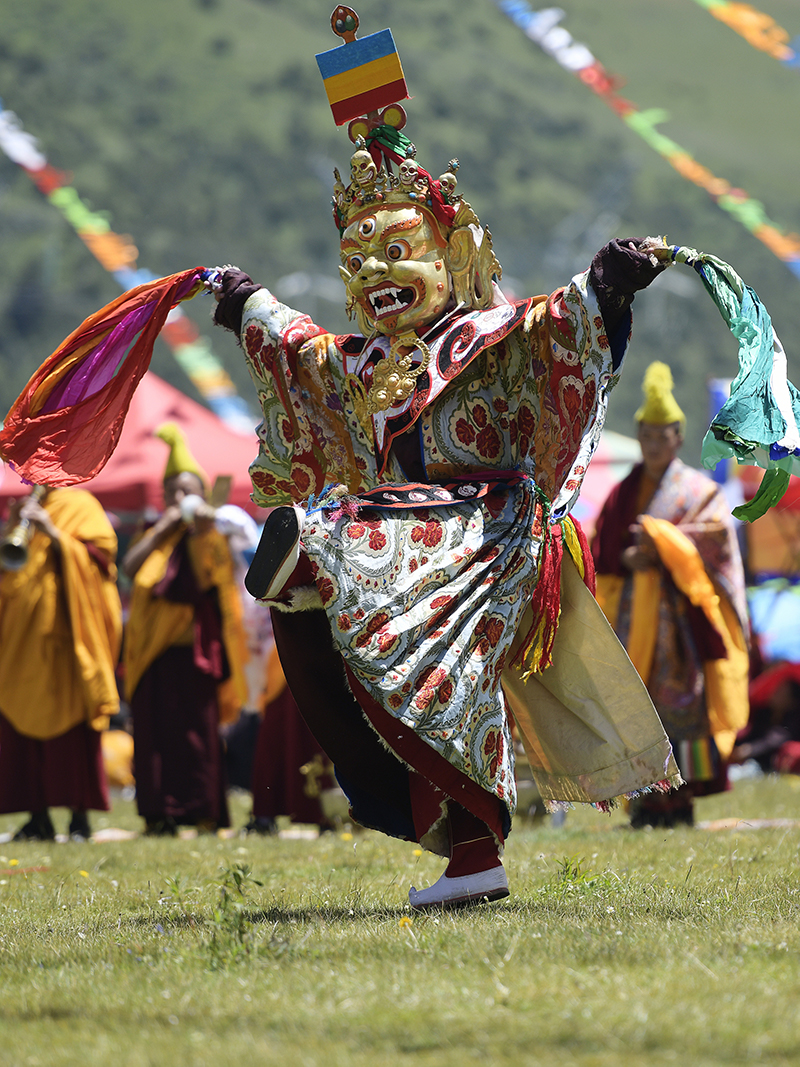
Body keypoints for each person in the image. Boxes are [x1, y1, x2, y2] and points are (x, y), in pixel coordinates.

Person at [205, 86, 682, 906]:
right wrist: (250, 303)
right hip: (419, 536)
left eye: (395, 250)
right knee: (372, 639)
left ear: (452, 250)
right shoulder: (362, 362)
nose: (374, 274)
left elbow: (557, 327)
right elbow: (302, 349)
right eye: (357, 262)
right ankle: (461, 845)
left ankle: (474, 847)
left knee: (356, 553)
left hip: (493, 530)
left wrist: (606, 284)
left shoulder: (492, 337)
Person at [592, 362, 750, 827]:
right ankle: (644, 802)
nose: (655, 443)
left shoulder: (698, 490)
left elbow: (717, 538)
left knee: (682, 710)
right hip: (630, 624)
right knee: (639, 710)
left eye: (665, 435)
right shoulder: (622, 492)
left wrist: (662, 546)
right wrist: (627, 559)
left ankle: (681, 802)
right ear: (639, 436)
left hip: (678, 627)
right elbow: (604, 546)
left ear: (679, 437)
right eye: (648, 434)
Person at [122, 424, 247, 835]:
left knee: (197, 739)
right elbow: (130, 569)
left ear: (202, 495)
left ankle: (204, 813)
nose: (179, 498)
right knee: (155, 737)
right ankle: (159, 817)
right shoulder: (153, 534)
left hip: (194, 652)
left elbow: (214, 581)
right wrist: (164, 527)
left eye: (187, 491)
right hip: (153, 653)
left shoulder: (207, 535)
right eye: (173, 491)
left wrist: (200, 533)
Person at [0, 486, 122, 841]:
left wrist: (53, 532)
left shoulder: (81, 504)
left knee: (73, 732)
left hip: (68, 637)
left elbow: (102, 560)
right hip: (23, 639)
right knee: (19, 722)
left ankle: (78, 819)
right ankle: (37, 818)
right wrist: (13, 526)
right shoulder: (25, 507)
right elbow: (12, 569)